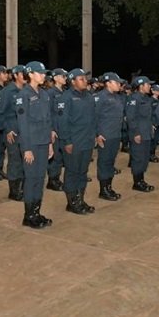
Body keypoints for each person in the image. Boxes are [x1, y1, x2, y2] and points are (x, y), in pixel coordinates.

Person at [16, 61, 54, 228]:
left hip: (43, 142)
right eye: (40, 73)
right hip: (31, 144)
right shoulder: (23, 95)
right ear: (31, 74)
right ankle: (29, 215)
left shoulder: (44, 94)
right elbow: (22, 124)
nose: (43, 75)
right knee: (31, 179)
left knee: (40, 178)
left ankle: (36, 212)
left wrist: (50, 143)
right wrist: (27, 149)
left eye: (44, 73)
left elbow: (48, 120)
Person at [58, 68, 97, 214]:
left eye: (85, 79)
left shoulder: (89, 97)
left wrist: (94, 136)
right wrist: (67, 141)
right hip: (73, 142)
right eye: (81, 79)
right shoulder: (66, 97)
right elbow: (62, 122)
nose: (85, 81)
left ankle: (80, 200)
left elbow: (93, 119)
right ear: (73, 81)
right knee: (72, 172)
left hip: (87, 141)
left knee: (83, 172)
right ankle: (72, 202)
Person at [0, 65, 26, 201]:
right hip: (13, 132)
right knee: (15, 161)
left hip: (26, 132)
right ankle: (14, 191)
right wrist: (6, 129)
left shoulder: (27, 91)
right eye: (23, 74)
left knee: (26, 161)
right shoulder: (7, 92)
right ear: (16, 75)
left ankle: (23, 188)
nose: (26, 76)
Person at [95, 72, 125, 200]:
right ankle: (103, 190)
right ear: (108, 83)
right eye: (116, 82)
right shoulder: (100, 97)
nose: (119, 84)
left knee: (111, 162)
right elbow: (94, 116)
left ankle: (109, 187)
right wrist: (97, 134)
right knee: (104, 162)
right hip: (105, 135)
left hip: (115, 134)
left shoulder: (118, 97)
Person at [126, 76, 156, 192]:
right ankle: (137, 182)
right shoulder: (134, 99)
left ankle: (141, 180)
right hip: (138, 133)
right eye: (148, 84)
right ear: (141, 86)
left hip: (146, 132)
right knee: (138, 158)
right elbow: (131, 117)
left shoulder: (146, 98)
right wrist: (136, 133)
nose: (150, 86)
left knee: (144, 158)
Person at [46, 68, 68, 191]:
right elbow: (47, 113)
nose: (65, 78)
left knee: (60, 156)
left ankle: (57, 178)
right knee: (55, 156)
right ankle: (52, 180)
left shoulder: (65, 92)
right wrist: (51, 129)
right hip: (54, 129)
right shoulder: (50, 93)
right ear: (55, 78)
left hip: (63, 129)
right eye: (63, 76)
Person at [149, 84, 159, 163]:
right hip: (153, 124)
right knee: (153, 140)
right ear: (153, 91)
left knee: (156, 139)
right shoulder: (150, 101)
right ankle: (151, 155)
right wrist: (151, 124)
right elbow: (149, 113)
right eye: (157, 90)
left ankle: (152, 154)